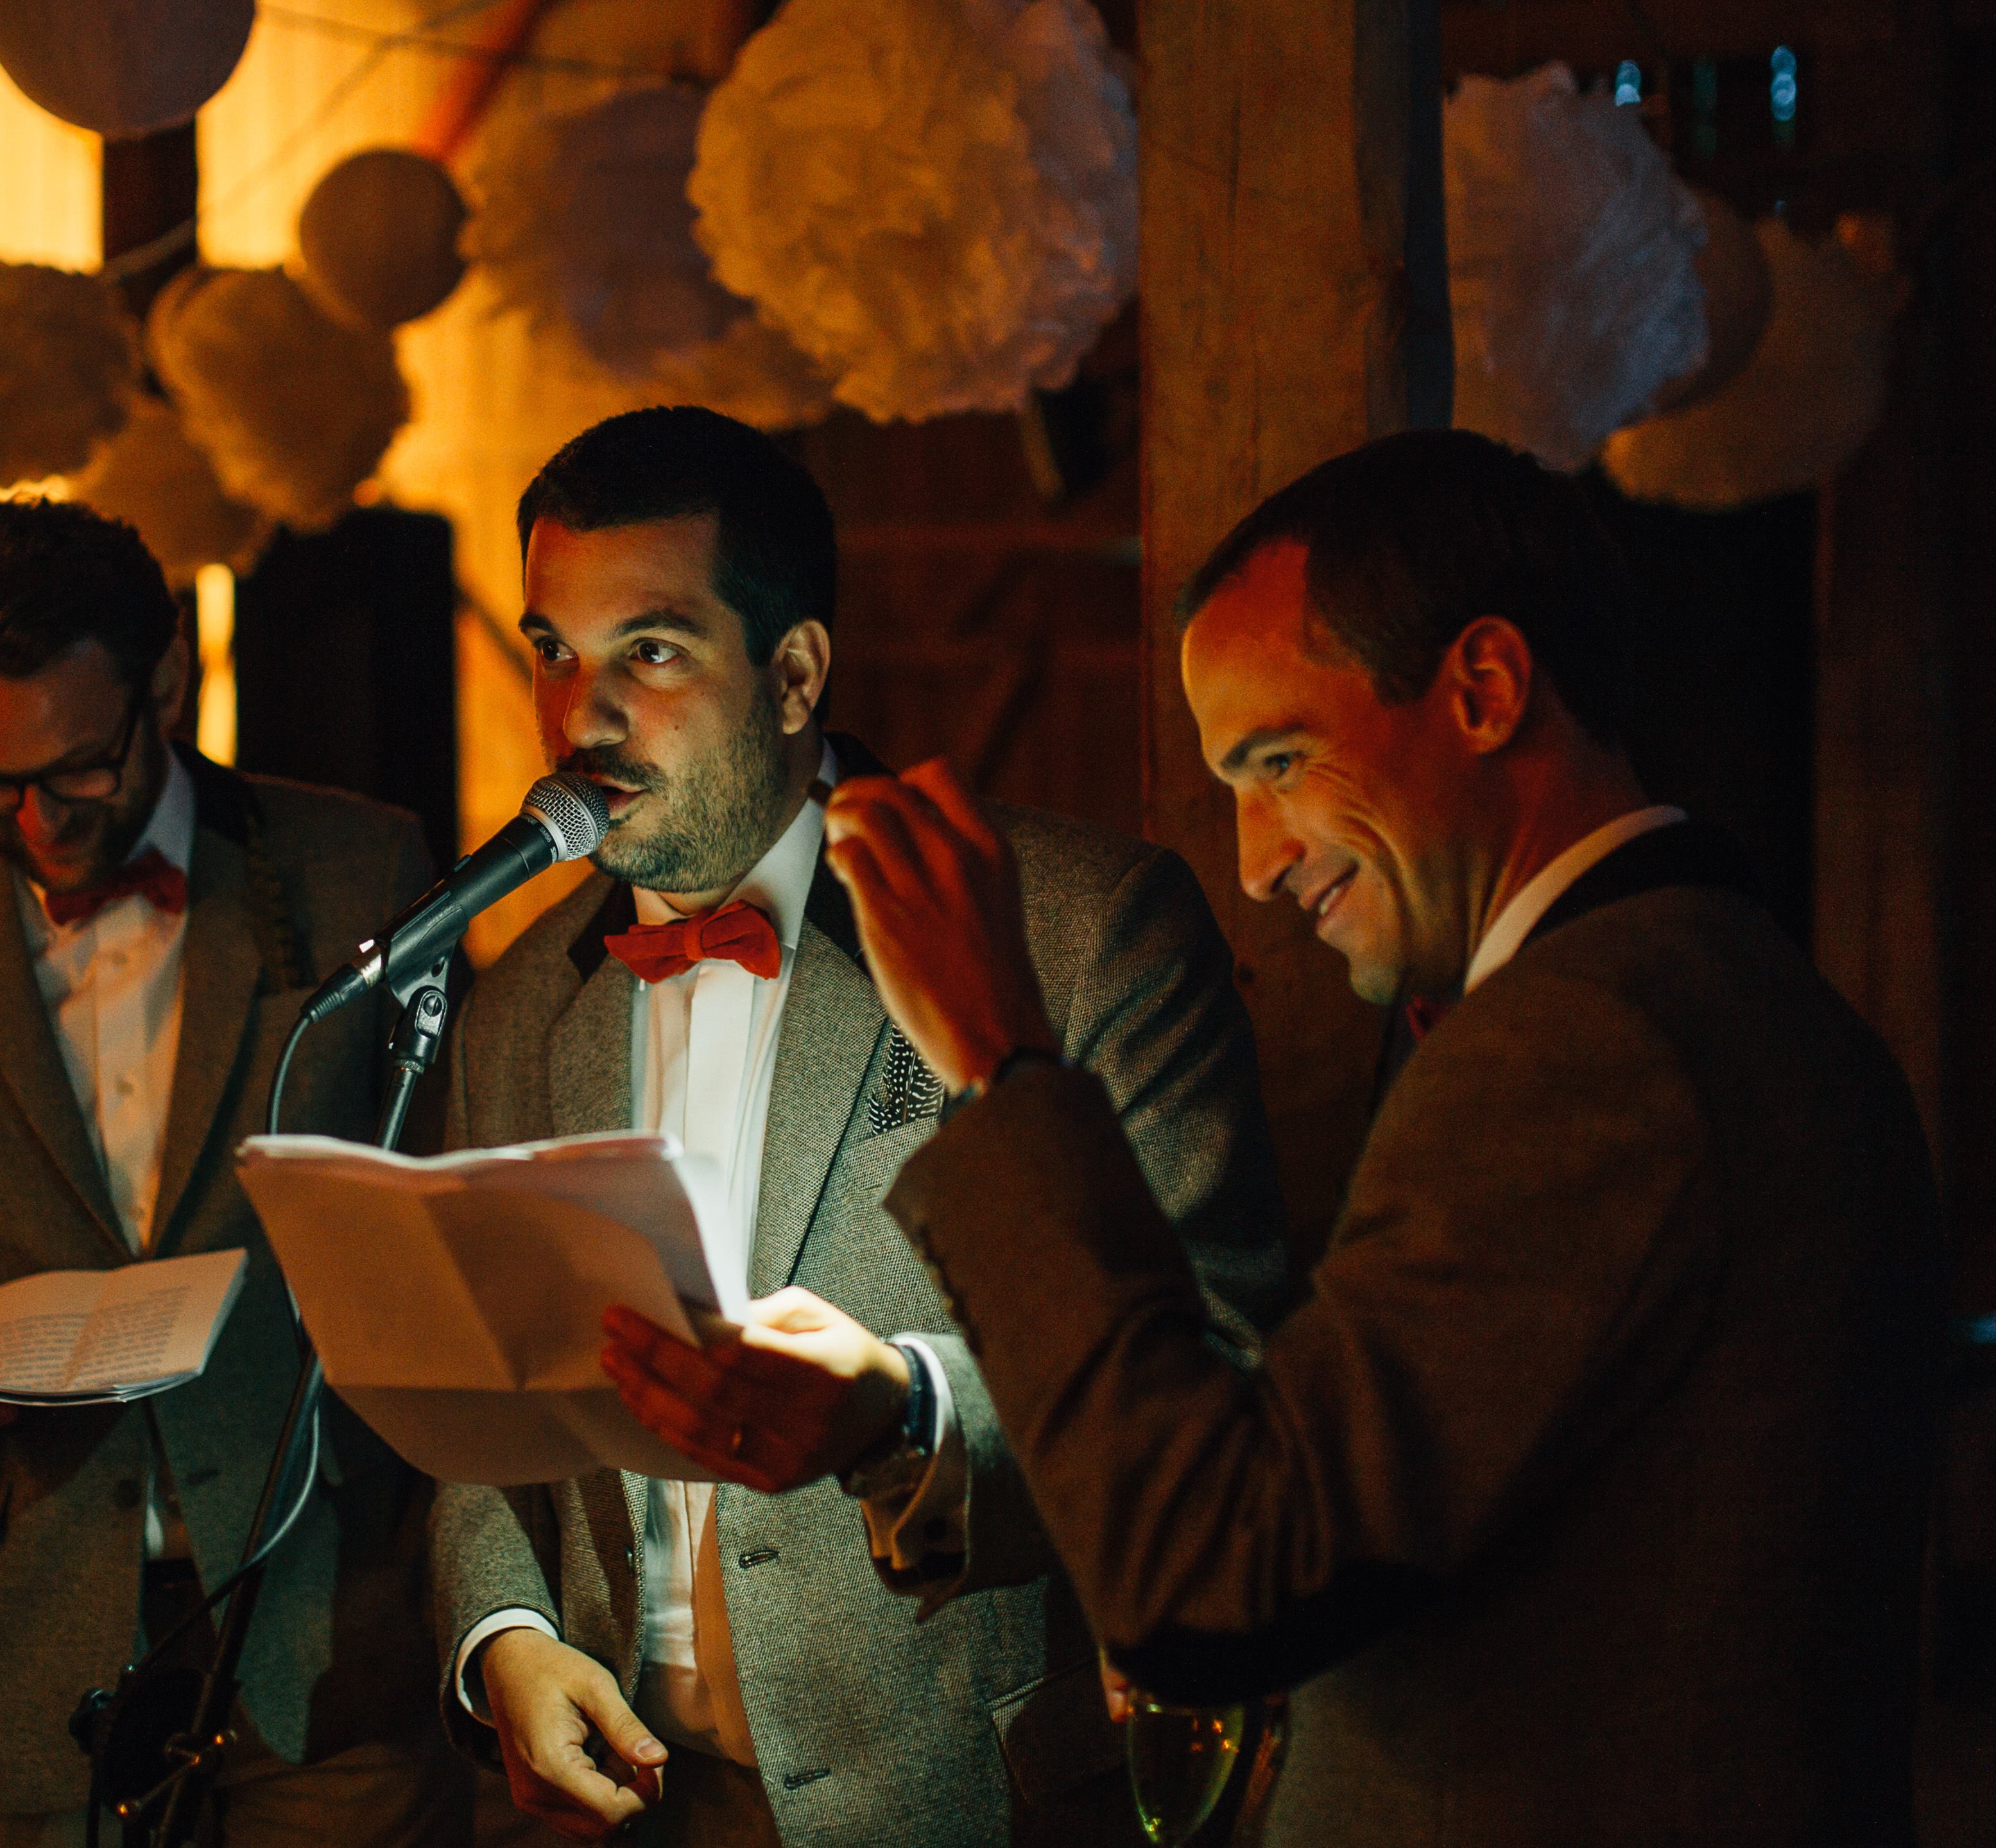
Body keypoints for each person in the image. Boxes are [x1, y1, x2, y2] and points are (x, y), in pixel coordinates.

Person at [748, 429, 1943, 1844]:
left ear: (1484, 690)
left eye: (1280, 759)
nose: (1255, 864)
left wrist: (1002, 1064)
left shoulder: (1587, 1043)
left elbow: (1212, 1583)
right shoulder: (1719, 984)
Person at [430, 406, 1291, 1847]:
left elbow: (1229, 1375)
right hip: (633, 1808)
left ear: (795, 674)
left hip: (969, 1794)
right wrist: (501, 1633)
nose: (577, 716)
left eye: (649, 651)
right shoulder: (519, 1008)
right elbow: (483, 1398)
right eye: (552, 650)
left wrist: (907, 1409)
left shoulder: (1073, 928)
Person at [0, 497, 469, 1845]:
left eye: (78, 770)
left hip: (325, 1624)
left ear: (168, 685)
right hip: (20, 1641)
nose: (35, 825)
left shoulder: (361, 866)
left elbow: (453, 1200)